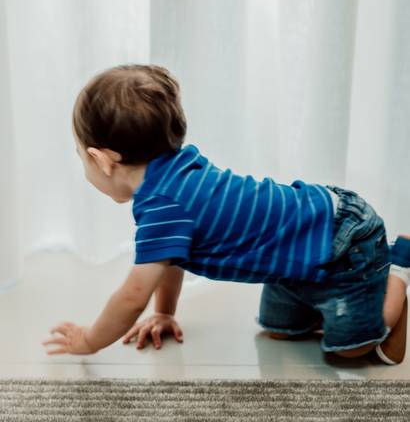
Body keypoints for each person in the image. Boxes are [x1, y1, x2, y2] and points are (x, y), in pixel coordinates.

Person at [42, 64, 410, 365]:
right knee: (279, 330)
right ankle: (332, 303)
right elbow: (170, 258)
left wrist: (89, 340)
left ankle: (397, 269)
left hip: (344, 243)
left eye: (81, 156)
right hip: (301, 252)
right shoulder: (172, 176)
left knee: (351, 350)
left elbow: (132, 297)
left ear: (102, 160)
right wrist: (165, 313)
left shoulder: (165, 206)